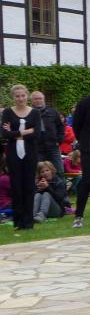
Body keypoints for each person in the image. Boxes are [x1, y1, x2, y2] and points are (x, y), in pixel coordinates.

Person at [1, 84, 41, 229]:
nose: (20, 98)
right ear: (13, 97)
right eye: (17, 96)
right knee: (16, 187)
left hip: (30, 152)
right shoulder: (7, 112)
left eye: (23, 95)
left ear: (27, 96)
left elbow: (37, 134)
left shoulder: (35, 113)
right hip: (13, 153)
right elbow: (5, 134)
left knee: (29, 186)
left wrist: (15, 133)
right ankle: (18, 221)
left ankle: (28, 221)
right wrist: (26, 132)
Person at [31, 91, 65, 179]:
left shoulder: (53, 111)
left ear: (44, 99)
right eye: (35, 99)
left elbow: (60, 127)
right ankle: (40, 187)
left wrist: (59, 140)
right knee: (38, 172)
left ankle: (61, 188)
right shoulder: (29, 113)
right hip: (36, 148)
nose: (38, 100)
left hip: (53, 146)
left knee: (59, 171)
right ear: (32, 101)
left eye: (40, 98)